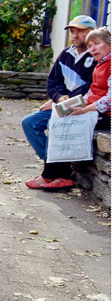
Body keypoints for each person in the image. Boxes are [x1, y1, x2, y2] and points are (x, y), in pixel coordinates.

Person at [32, 26, 112, 190]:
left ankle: (52, 175)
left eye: (96, 43)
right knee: (59, 116)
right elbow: (92, 91)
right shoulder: (100, 64)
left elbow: (110, 99)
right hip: (93, 108)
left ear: (109, 43)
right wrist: (72, 103)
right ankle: (57, 175)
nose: (92, 48)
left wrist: (85, 109)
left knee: (65, 123)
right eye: (89, 46)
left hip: (106, 114)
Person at [23, 15, 98, 189]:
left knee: (54, 123)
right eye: (73, 31)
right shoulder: (66, 54)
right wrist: (58, 97)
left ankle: (52, 174)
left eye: (81, 31)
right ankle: (58, 168)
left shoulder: (95, 56)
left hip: (83, 105)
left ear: (92, 33)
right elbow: (53, 81)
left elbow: (91, 87)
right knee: (30, 122)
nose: (75, 35)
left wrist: (65, 99)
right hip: (63, 104)